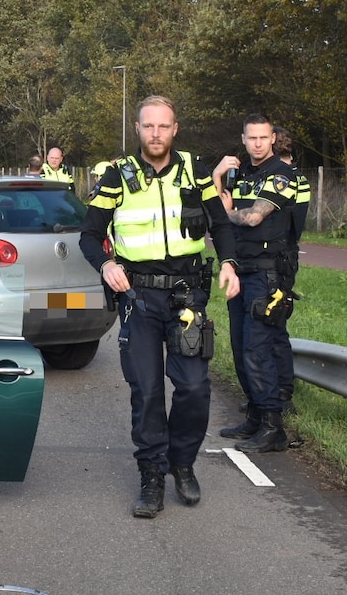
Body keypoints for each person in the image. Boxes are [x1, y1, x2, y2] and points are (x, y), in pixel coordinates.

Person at [80, 95, 240, 518]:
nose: (156, 134)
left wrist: (229, 264)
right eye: (148, 127)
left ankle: (182, 463)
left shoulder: (195, 170)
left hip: (187, 297)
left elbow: (220, 224)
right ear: (138, 129)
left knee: (193, 388)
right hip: (140, 300)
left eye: (163, 127)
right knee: (147, 392)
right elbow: (88, 235)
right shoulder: (116, 176)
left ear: (175, 129)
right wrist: (106, 263)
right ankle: (151, 474)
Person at [214, 114, 299, 453]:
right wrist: (218, 175)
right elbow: (212, 204)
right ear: (244, 139)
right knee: (239, 347)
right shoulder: (242, 174)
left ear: (273, 139)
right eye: (253, 138)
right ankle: (254, 414)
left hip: (266, 274)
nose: (259, 143)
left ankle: (272, 426)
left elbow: (252, 217)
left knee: (257, 348)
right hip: (239, 269)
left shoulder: (283, 174)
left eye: (264, 137)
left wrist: (227, 211)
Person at [271, 126, 309, 413]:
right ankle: (272, 390)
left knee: (275, 323)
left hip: (280, 256)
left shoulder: (288, 180)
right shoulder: (299, 177)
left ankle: (283, 391)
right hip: (285, 254)